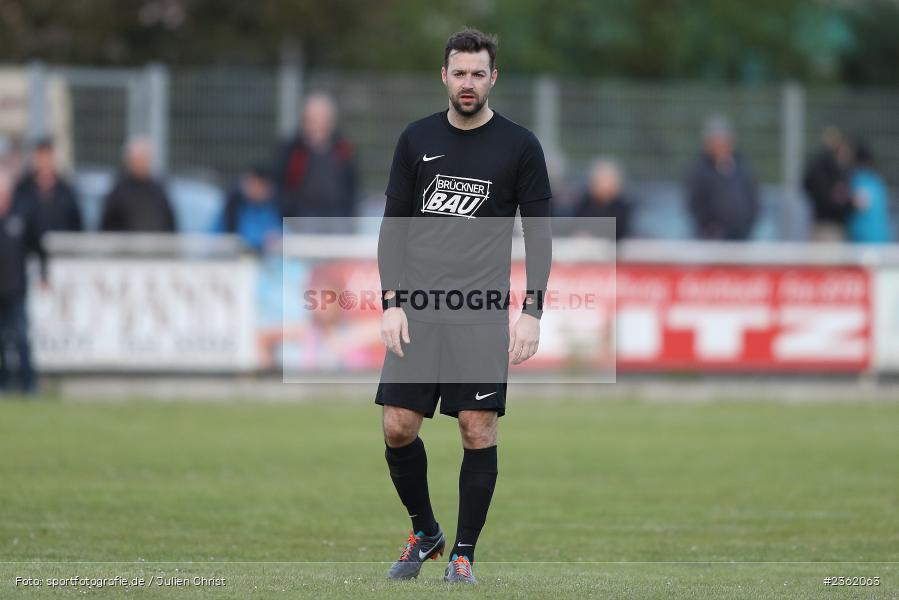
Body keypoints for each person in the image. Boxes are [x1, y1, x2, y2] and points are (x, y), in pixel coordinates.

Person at [375, 28, 552, 584]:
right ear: (444, 75)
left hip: (479, 311)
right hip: (419, 309)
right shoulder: (415, 139)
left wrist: (532, 311)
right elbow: (392, 229)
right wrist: (391, 302)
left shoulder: (520, 146)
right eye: (460, 72)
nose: (468, 82)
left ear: (492, 78)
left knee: (477, 429)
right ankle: (425, 531)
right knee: (398, 427)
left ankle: (463, 556)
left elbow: (541, 236)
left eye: (479, 73)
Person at [276, 93, 357, 232]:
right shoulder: (293, 148)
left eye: (323, 118)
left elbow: (352, 183)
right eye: (313, 118)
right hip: (304, 214)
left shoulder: (343, 148)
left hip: (337, 214)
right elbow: (281, 182)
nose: (317, 123)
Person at [0, 171, 47, 394]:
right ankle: (4, 383)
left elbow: (38, 247)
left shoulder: (21, 215)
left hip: (15, 289)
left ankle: (29, 384)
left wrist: (44, 275)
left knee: (21, 337)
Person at [685, 115, 758, 240]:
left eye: (724, 139)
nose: (721, 144)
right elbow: (695, 203)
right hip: (711, 238)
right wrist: (709, 227)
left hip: (742, 236)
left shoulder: (742, 167)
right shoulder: (699, 170)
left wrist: (747, 225)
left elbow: (753, 199)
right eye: (716, 139)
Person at [100, 138, 176, 232]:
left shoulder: (158, 190)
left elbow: (170, 222)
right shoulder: (118, 191)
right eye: (138, 159)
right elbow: (107, 225)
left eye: (145, 159)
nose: (142, 163)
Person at [14, 137, 82, 232]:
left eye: (48, 156)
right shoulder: (22, 190)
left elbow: (75, 224)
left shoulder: (66, 192)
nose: (45, 161)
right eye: (41, 156)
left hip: (60, 244)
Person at [802, 127, 854, 241]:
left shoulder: (820, 168)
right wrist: (851, 203)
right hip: (828, 228)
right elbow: (832, 200)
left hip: (825, 226)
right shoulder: (831, 172)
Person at [216, 164, 282, 253]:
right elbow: (216, 237)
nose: (250, 187)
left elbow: (282, 234)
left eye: (257, 184)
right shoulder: (232, 206)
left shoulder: (274, 209)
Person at [571, 157, 632, 240]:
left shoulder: (624, 207)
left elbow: (621, 232)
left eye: (607, 179)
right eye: (600, 180)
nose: (604, 185)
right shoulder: (583, 204)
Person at [846, 143, 893, 244]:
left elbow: (860, 203)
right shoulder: (877, 181)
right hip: (882, 239)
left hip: (863, 241)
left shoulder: (857, 180)